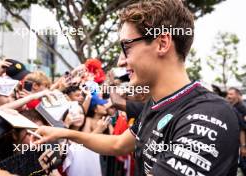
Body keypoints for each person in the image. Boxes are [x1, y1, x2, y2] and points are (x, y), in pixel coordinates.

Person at [31, 1, 239, 175]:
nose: (120, 61)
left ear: (162, 43)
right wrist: (64, 133)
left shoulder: (209, 117)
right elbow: (118, 145)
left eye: (126, 47)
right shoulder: (157, 104)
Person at [226, 87, 246, 175]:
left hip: (242, 144)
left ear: (237, 95)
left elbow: (242, 129)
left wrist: (243, 146)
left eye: (231, 94)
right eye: (228, 94)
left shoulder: (242, 108)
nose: (228, 96)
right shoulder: (231, 106)